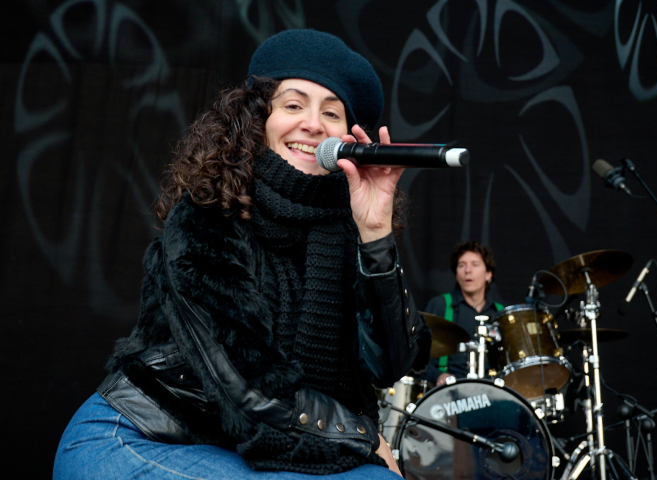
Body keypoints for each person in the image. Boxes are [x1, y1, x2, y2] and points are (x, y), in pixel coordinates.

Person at [53, 29, 430, 479]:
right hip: (136, 437)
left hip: (246, 448)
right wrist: (366, 437)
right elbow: (249, 388)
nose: (313, 124)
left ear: (347, 140)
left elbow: (390, 364)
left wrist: (375, 235)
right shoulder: (206, 219)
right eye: (293, 105)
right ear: (258, 120)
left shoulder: (347, 230)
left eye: (331, 113)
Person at [422, 241, 504, 386]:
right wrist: (438, 375)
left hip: (491, 395)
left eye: (475, 265)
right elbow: (416, 359)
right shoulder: (440, 306)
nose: (467, 270)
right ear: (456, 274)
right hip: (448, 394)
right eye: (461, 265)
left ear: (488, 274)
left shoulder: (500, 313)